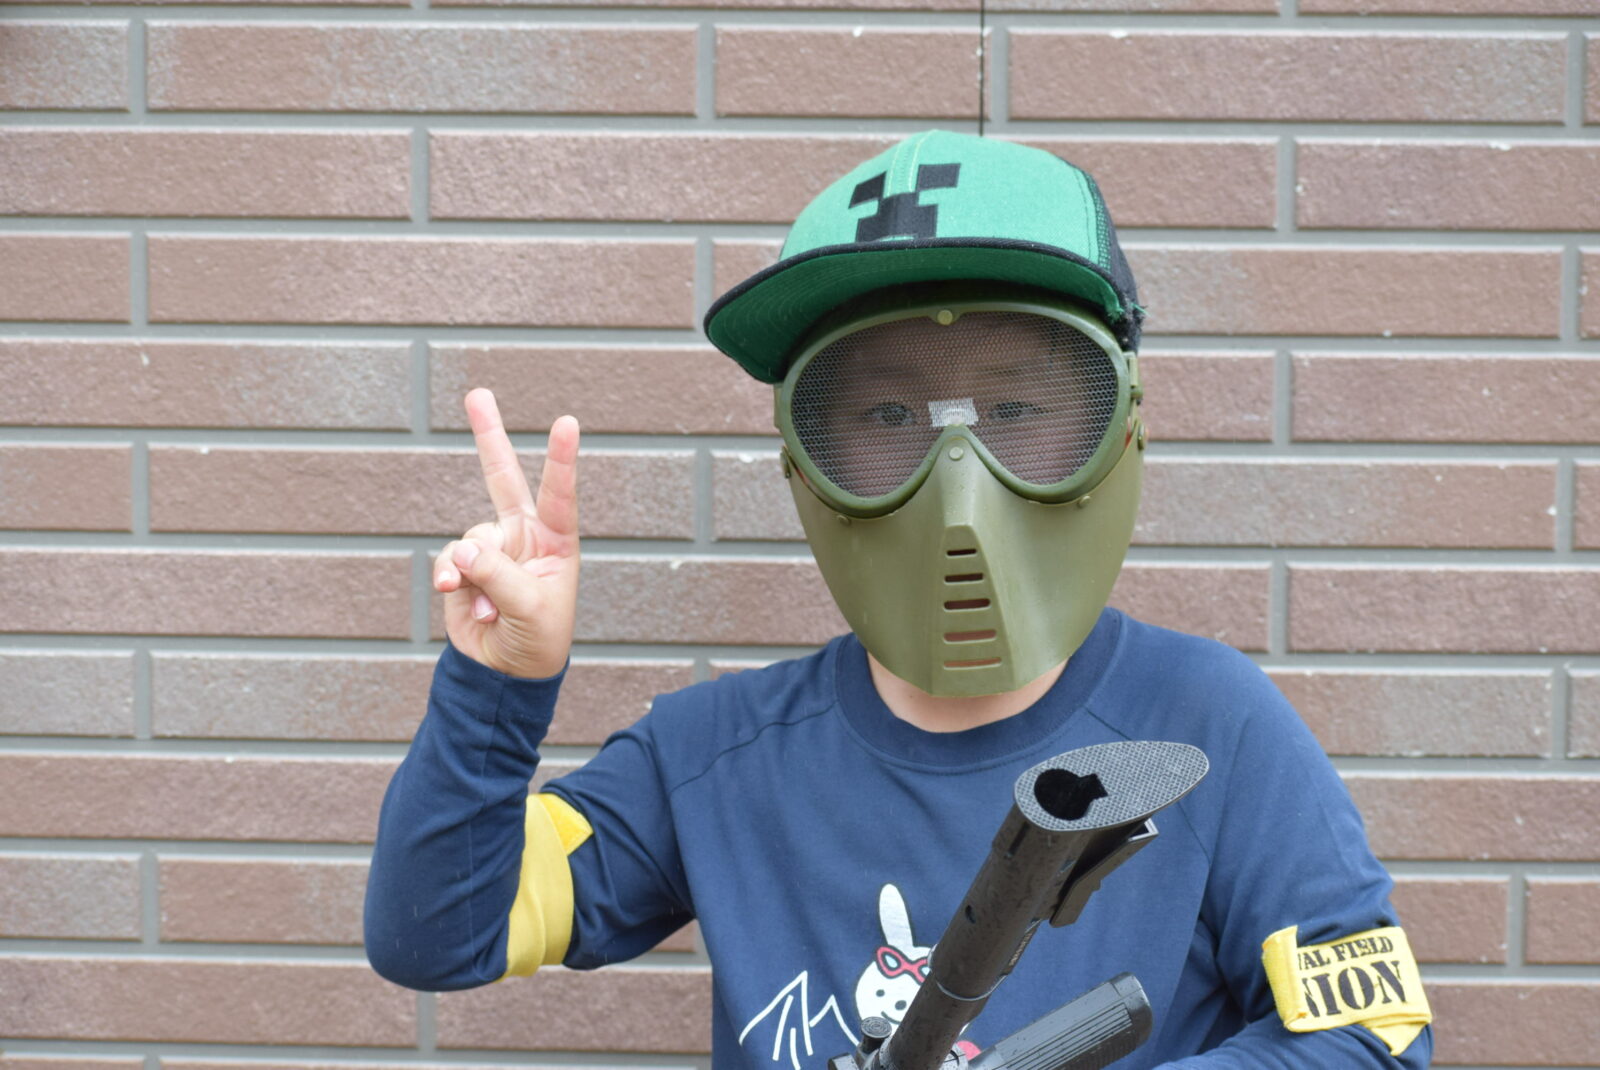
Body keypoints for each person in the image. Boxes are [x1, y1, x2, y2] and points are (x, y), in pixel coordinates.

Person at [364, 130, 1434, 1068]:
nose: (955, 485)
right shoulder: (712, 757)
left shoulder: (1210, 723)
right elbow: (437, 931)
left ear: (1117, 420)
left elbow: (1373, 1035)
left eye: (1015, 410)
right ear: (806, 455)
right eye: (885, 418)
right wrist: (498, 684)